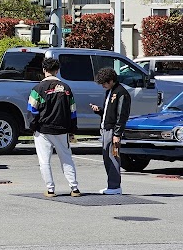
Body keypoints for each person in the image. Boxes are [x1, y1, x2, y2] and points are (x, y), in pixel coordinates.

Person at [27, 58, 82, 197]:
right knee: (66, 158)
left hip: (43, 130)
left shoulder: (37, 89)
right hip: (62, 129)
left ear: (44, 70)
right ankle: (74, 188)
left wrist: (33, 127)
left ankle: (50, 189)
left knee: (44, 161)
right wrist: (72, 130)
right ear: (57, 71)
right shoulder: (66, 89)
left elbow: (32, 110)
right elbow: (73, 111)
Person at [90, 67, 131, 195]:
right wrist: (99, 110)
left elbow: (122, 115)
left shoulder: (121, 93)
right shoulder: (110, 91)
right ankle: (112, 185)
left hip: (113, 130)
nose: (103, 86)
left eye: (104, 83)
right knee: (107, 158)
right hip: (106, 128)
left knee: (113, 157)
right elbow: (109, 111)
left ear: (111, 80)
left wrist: (117, 134)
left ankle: (115, 186)